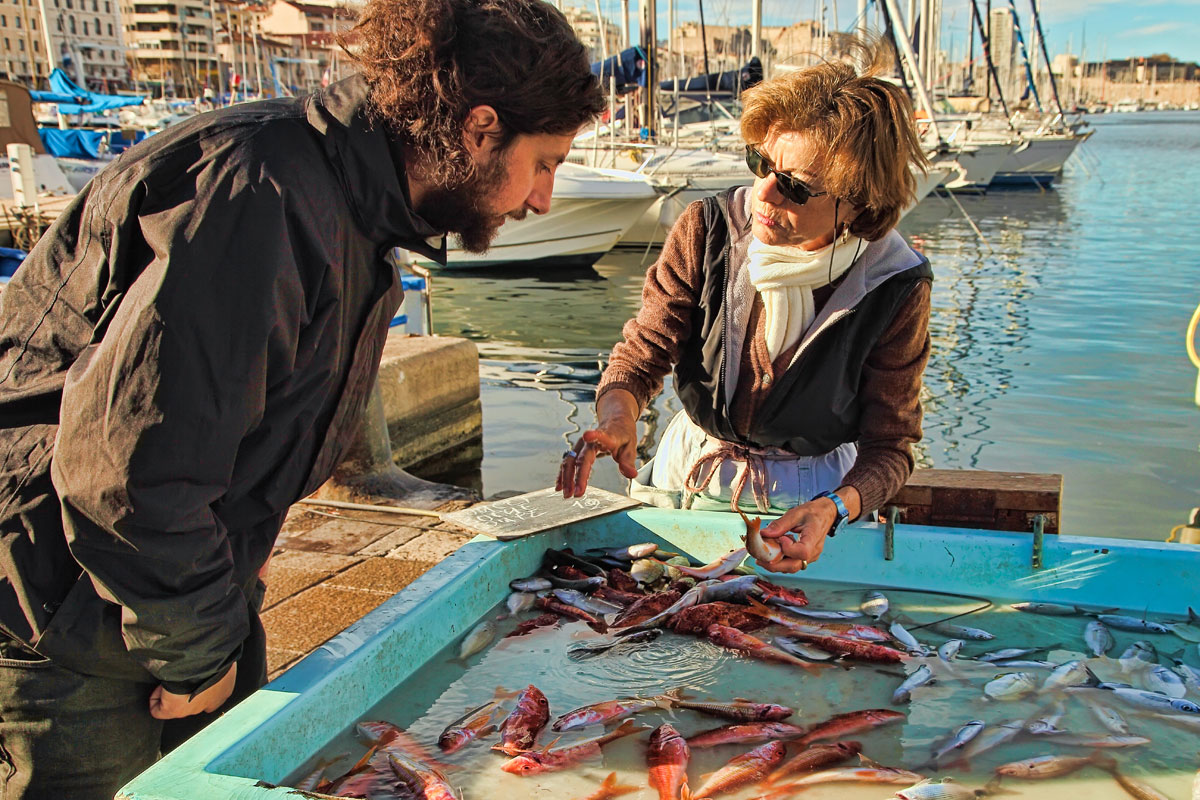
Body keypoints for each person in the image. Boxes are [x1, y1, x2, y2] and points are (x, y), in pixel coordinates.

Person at [0, 0, 603, 796]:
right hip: (67, 599)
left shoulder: (353, 209)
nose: (543, 201)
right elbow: (131, 471)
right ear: (479, 129)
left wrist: (218, 634)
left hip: (168, 590)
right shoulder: (261, 197)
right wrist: (202, 659)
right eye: (546, 162)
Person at [558, 40, 931, 574]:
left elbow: (891, 445)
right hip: (691, 473)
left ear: (859, 203)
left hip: (813, 502)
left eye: (796, 188)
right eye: (761, 163)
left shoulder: (897, 283)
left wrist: (834, 509)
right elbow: (643, 354)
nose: (765, 195)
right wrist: (618, 420)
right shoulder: (706, 228)